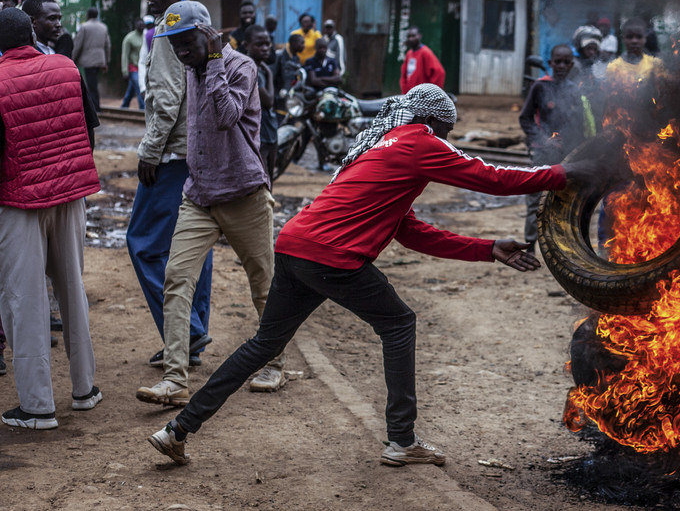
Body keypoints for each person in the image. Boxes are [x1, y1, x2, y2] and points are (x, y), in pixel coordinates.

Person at [146, 83, 599, 467]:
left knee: (263, 344)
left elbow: (411, 232)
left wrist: (487, 249)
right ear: (434, 123)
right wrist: (563, 174)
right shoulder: (422, 142)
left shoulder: (380, 147)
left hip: (294, 246)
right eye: (447, 131)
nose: (448, 139)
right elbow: (493, 177)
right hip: (332, 258)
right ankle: (402, 439)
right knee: (399, 324)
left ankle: (179, 429)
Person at [135, 0, 283, 408]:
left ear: (208, 34)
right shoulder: (189, 69)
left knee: (263, 285)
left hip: (244, 194)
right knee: (177, 278)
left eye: (188, 43)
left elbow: (225, 115)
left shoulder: (241, 67)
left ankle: (275, 362)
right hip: (199, 196)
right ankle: (175, 379)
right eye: (176, 46)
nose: (182, 52)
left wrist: (215, 60)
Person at [0, 7, 102, 429]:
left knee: (24, 300)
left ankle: (38, 407)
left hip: (19, 201)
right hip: (70, 195)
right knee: (71, 287)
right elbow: (89, 128)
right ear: (32, 34)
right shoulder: (66, 67)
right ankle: (84, 390)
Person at [128, 0, 214, 374]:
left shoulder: (168, 30)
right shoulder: (200, 29)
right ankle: (191, 337)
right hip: (197, 153)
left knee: (144, 242)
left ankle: (188, 329)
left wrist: (149, 151)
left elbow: (166, 97)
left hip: (171, 157)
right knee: (195, 248)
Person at [518, 44, 596, 242]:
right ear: (551, 63)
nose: (561, 65)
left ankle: (561, 245)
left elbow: (580, 124)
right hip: (544, 153)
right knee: (535, 199)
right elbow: (525, 118)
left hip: (567, 155)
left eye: (566, 62)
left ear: (571, 65)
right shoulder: (540, 86)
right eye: (557, 62)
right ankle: (529, 244)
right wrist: (542, 140)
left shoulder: (575, 91)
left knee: (565, 201)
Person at [244, 24, 278, 180]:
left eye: (267, 44)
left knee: (270, 176)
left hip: (269, 133)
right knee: (263, 180)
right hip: (260, 136)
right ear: (247, 45)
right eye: (259, 44)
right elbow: (269, 101)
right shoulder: (252, 69)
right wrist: (270, 74)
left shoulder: (260, 68)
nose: (265, 48)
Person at [72, 7, 110, 111]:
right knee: (93, 83)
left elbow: (78, 44)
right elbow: (108, 45)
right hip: (100, 60)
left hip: (88, 61)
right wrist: (106, 61)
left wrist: (72, 58)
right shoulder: (103, 27)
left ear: (88, 15)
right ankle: (94, 106)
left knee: (91, 85)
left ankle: (95, 107)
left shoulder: (84, 27)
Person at [399, 26, 445, 93]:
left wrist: (432, 92)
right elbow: (404, 75)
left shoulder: (425, 52)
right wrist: (405, 91)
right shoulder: (409, 54)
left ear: (419, 36)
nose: (411, 39)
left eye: (413, 36)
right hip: (411, 95)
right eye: (409, 36)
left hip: (423, 95)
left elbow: (439, 72)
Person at [121, 18, 146, 109]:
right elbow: (125, 55)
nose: (142, 27)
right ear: (136, 26)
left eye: (143, 25)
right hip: (133, 67)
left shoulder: (146, 36)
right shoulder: (129, 38)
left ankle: (124, 106)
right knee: (140, 87)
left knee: (132, 89)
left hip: (143, 67)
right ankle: (143, 108)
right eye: (140, 25)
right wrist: (125, 71)